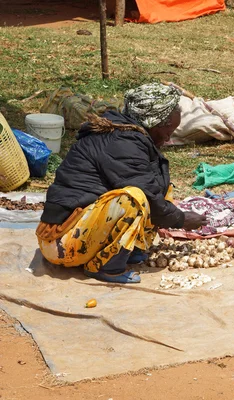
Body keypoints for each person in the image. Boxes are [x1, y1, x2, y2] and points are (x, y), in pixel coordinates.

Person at [36, 83, 207, 284]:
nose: (169, 139)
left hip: (81, 233)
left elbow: (154, 188)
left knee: (161, 187)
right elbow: (148, 197)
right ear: (154, 122)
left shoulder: (127, 135)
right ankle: (106, 266)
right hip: (62, 244)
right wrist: (181, 219)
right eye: (169, 131)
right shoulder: (121, 143)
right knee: (134, 199)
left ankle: (126, 248)